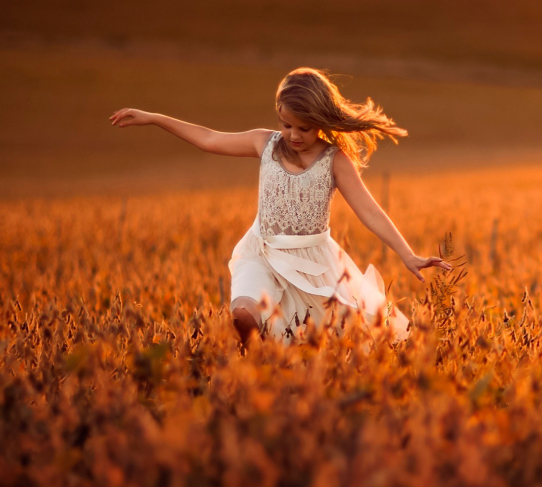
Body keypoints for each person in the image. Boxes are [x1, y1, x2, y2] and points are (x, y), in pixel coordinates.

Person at [109, 67, 451, 346]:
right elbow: (209, 139)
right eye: (286, 125)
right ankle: (246, 368)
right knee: (243, 316)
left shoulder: (335, 160)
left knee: (329, 343)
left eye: (305, 128)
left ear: (323, 121)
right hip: (262, 252)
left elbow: (370, 211)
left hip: (312, 264)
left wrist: (409, 256)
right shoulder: (264, 143)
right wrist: (154, 117)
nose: (294, 135)